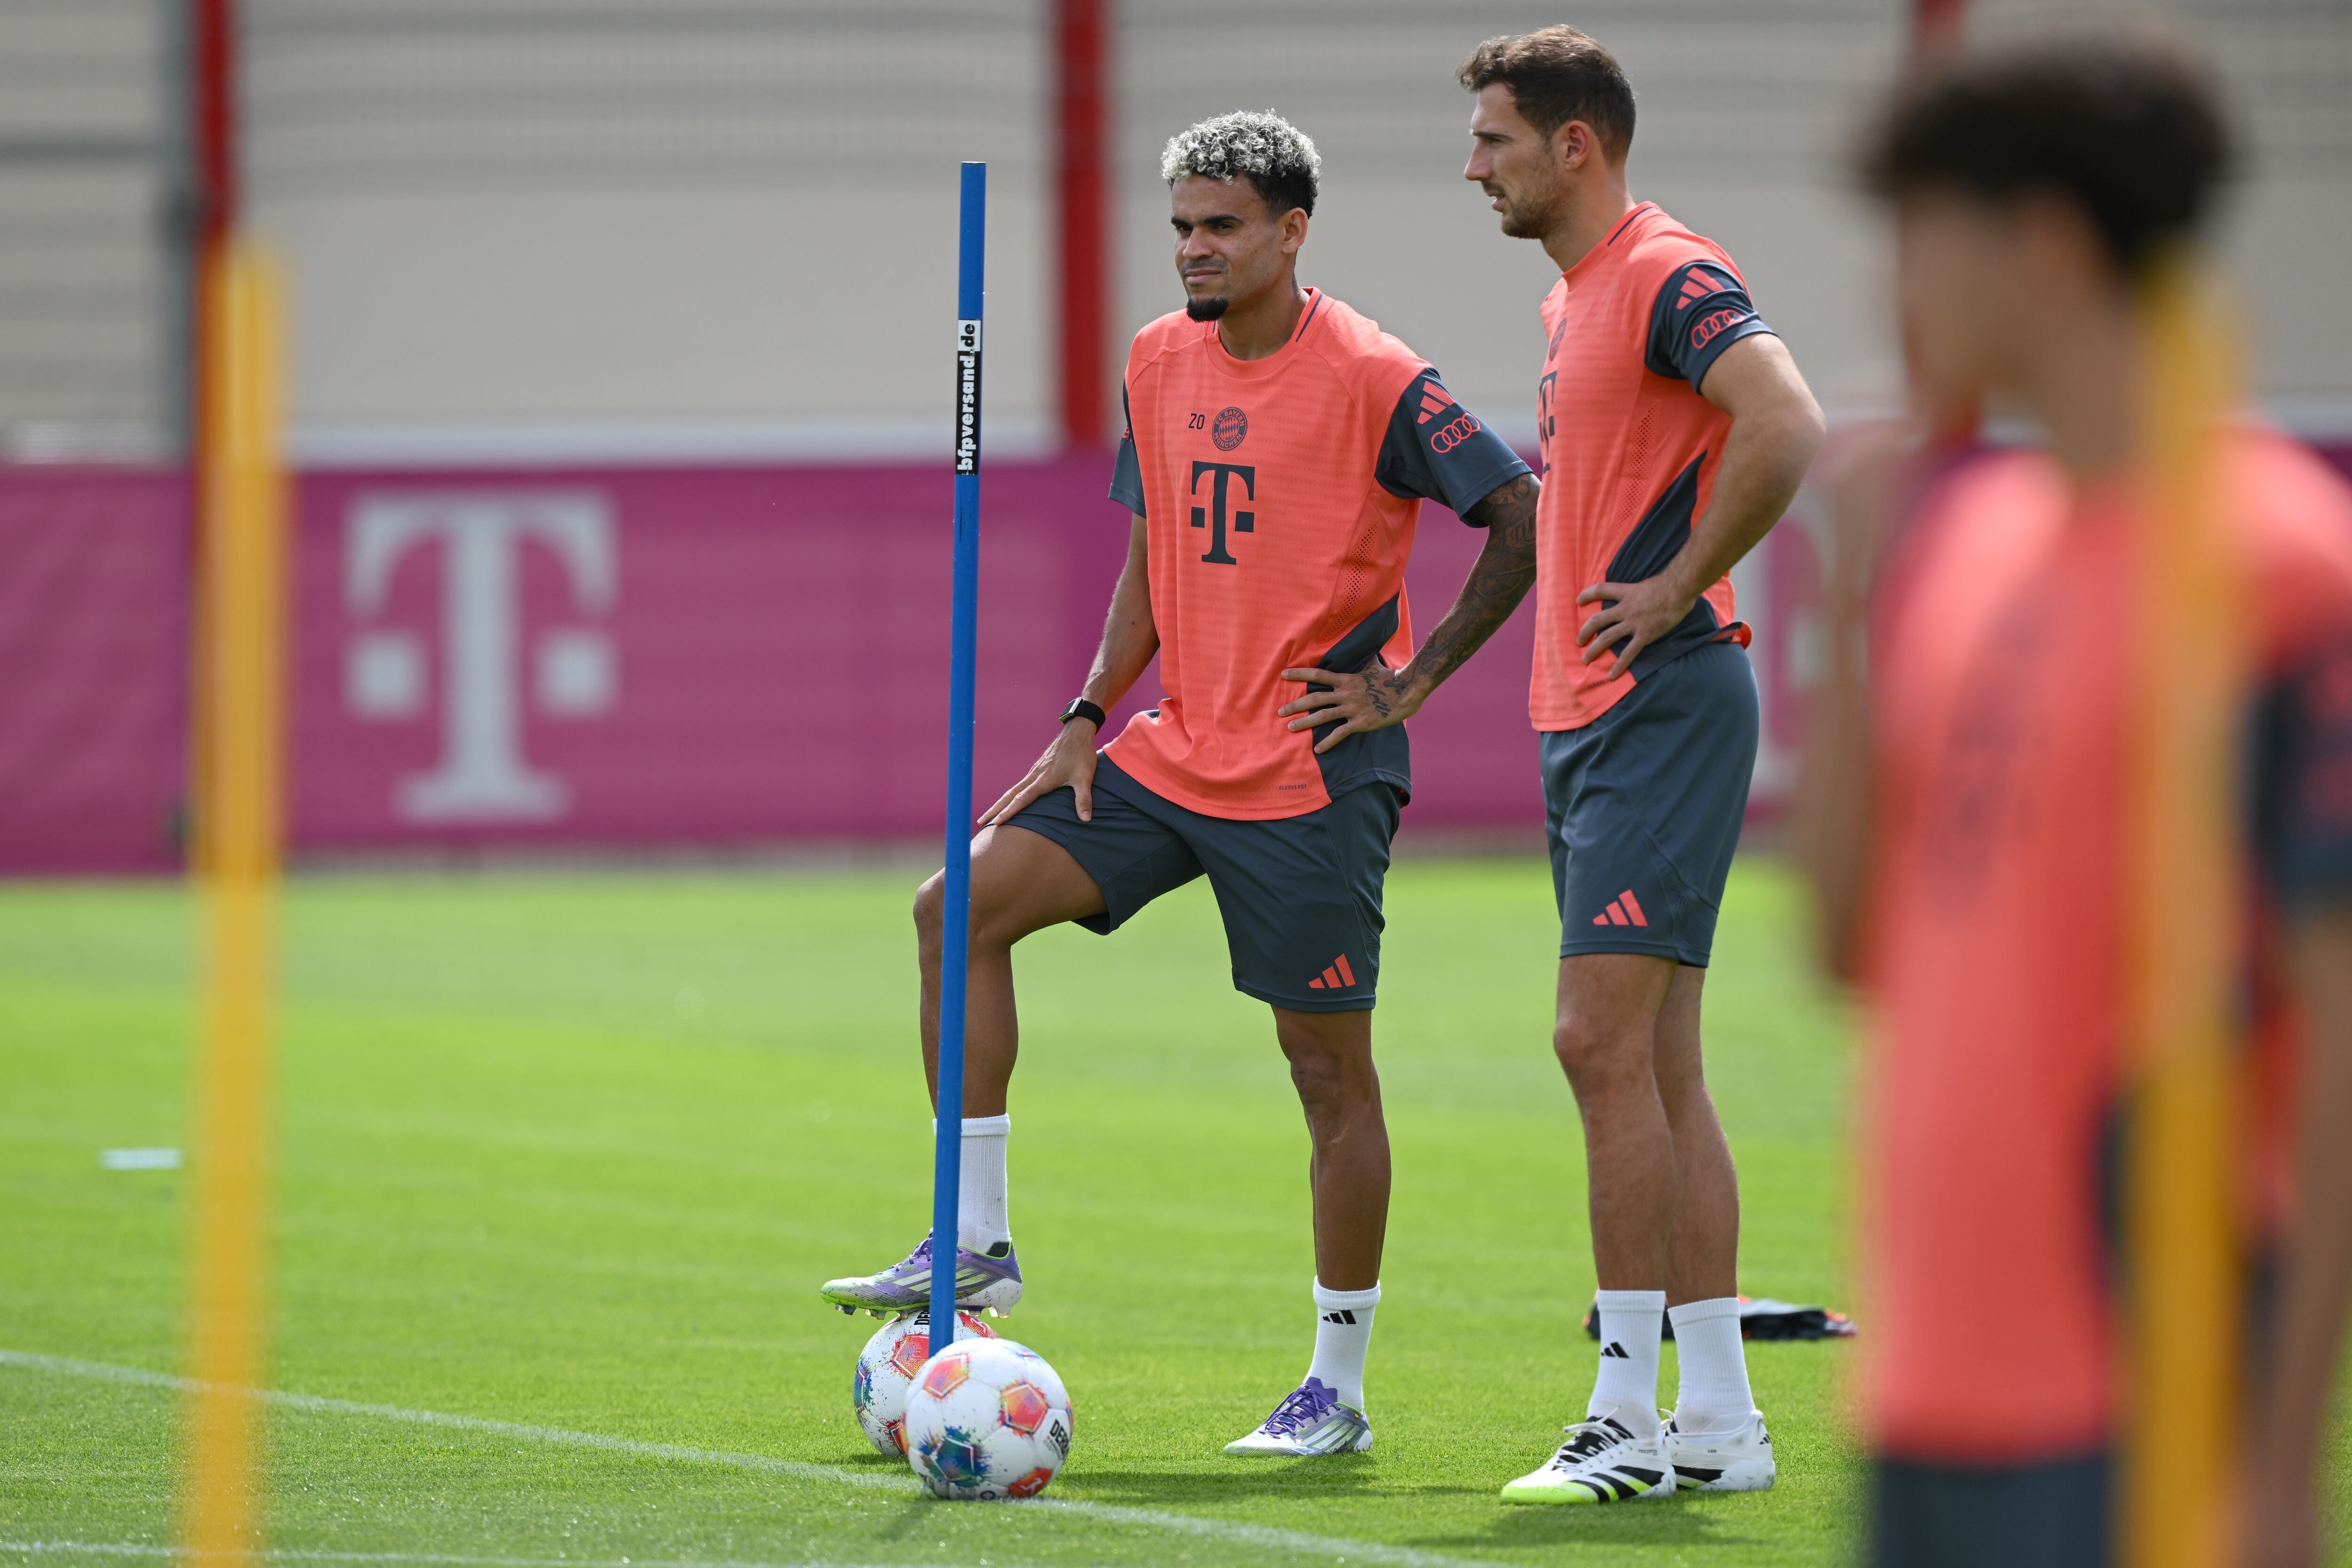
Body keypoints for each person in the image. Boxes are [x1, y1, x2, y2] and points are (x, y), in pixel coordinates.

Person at [820, 109, 1543, 1458]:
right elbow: (1154, 558)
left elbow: (1520, 513)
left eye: (1221, 227)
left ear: (1290, 232)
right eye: (1182, 228)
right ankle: (973, 1239)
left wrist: (1411, 681)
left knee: (1326, 1073)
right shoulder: (1158, 361)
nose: (1196, 250)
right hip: (1169, 748)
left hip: (1313, 774)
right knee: (953, 907)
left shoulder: (1378, 374)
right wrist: (1091, 709)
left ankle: (1337, 1389)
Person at [1804, 37, 2352, 1568]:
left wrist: (2278, 1462)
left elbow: (2335, 1049)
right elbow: (1847, 947)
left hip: (2143, 1399)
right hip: (1927, 1387)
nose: (1893, 289)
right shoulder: (1966, 550)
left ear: (2043, 241)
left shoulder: (2273, 566)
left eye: (1921, 235)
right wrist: (1856, 604)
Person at [1455, 27, 1827, 1504]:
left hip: (1663, 698)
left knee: (1593, 1045)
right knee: (1658, 1062)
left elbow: (1786, 421)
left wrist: (1674, 591)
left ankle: (1622, 1419)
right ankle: (1721, 1425)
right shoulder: (1574, 303)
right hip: (1595, 712)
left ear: (1574, 145)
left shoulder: (1668, 271)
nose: (1470, 165)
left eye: (1492, 138)